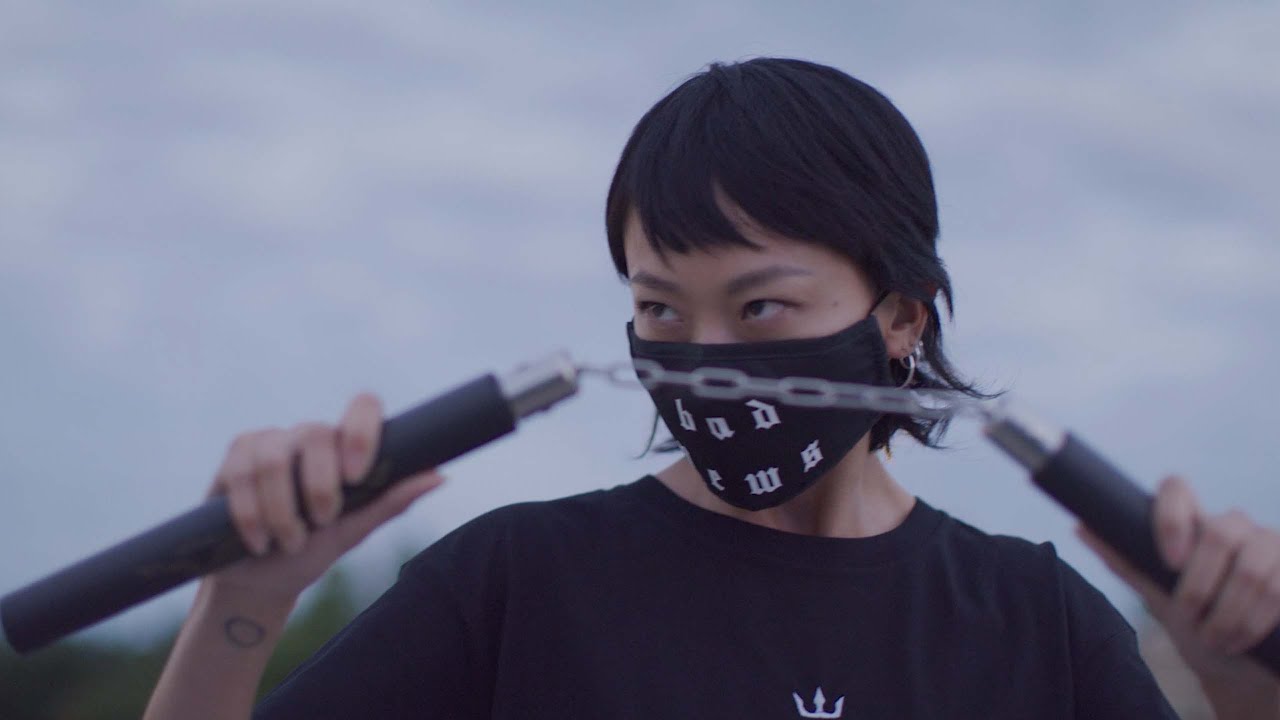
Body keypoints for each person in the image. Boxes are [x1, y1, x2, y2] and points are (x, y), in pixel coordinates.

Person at [144, 58, 1280, 719]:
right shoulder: (516, 584)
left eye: (761, 307)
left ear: (900, 314)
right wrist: (246, 598)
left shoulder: (1038, 624)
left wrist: (1244, 687)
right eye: (658, 311)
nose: (703, 352)